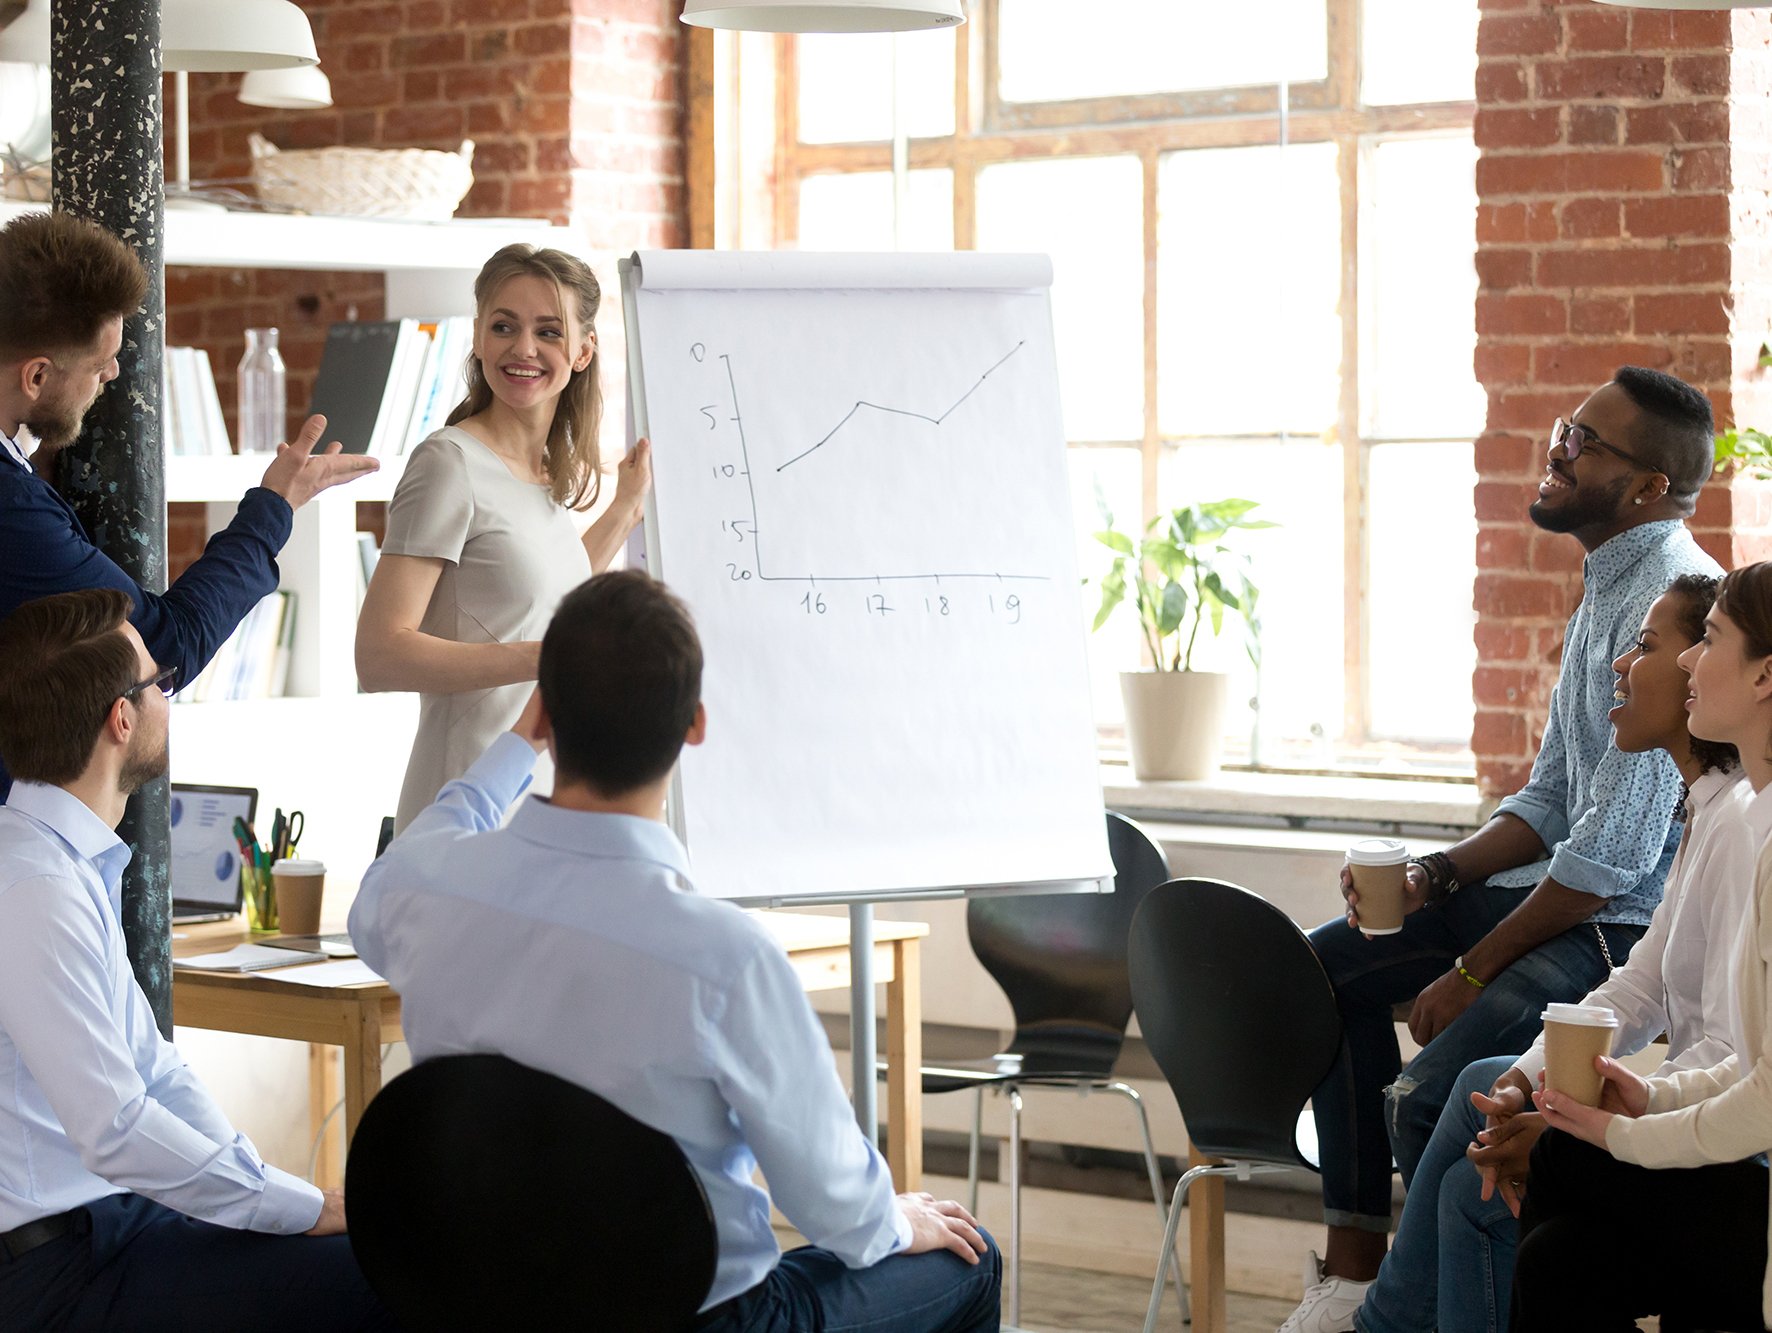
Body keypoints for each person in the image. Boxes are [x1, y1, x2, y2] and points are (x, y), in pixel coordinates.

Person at [351, 570, 1002, 1332]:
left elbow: (412, 855)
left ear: (548, 715)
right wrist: (896, 1217)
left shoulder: (430, 888)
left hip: (476, 1305)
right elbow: (841, 1214)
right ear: (694, 724)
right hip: (687, 1319)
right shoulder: (725, 959)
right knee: (970, 1256)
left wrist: (514, 746)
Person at [1283, 366, 1723, 1333]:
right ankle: (1354, 1266)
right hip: (1552, 890)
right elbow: (1551, 797)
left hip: (1600, 925)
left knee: (1432, 1101)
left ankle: (1417, 1312)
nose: (1559, 445)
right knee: (1320, 968)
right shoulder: (1607, 583)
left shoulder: (1669, 598)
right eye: (1570, 424)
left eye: (1588, 441)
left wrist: (1473, 970)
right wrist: (1434, 875)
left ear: (1650, 487)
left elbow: (1609, 856)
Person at [1345, 573, 1754, 1333]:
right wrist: (1523, 1080)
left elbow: (1743, 1059)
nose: (1622, 665)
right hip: (1696, 1126)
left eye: (1649, 644)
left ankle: (1383, 1324)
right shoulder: (1708, 809)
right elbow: (1639, 988)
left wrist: (1586, 1121)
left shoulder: (1741, 826)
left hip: (1731, 1155)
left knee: (1488, 1183)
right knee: (1483, 1090)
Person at [0, 589, 391, 1330]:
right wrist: (297, 1205)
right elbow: (115, 1127)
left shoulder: (57, 861)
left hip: (112, 1229)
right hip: (60, 1272)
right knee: (381, 1278)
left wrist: (274, 1197)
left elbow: (157, 1072)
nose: (168, 699)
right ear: (122, 718)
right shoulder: (32, 887)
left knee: (373, 1257)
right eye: (161, 684)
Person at [0, 210, 378, 800]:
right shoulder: (12, 511)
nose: (114, 373)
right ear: (37, 376)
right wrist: (275, 504)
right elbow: (168, 644)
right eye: (101, 363)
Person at [1513, 561, 1772, 1332]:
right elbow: (1750, 1058)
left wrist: (1627, 1132)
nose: (1692, 658)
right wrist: (1650, 1095)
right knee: (1556, 1258)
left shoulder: (1753, 828)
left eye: (1711, 639)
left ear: (1766, 678)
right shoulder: (1743, 816)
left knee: (1563, 1157)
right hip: (1740, 1155)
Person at [355, 243, 652, 832]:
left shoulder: (545, 473)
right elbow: (379, 655)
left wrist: (624, 509)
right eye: (504, 326)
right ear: (477, 338)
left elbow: (545, 601)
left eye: (548, 331)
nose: (523, 349)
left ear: (584, 350)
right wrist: (552, 659)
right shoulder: (450, 463)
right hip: (464, 804)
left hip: (541, 799)